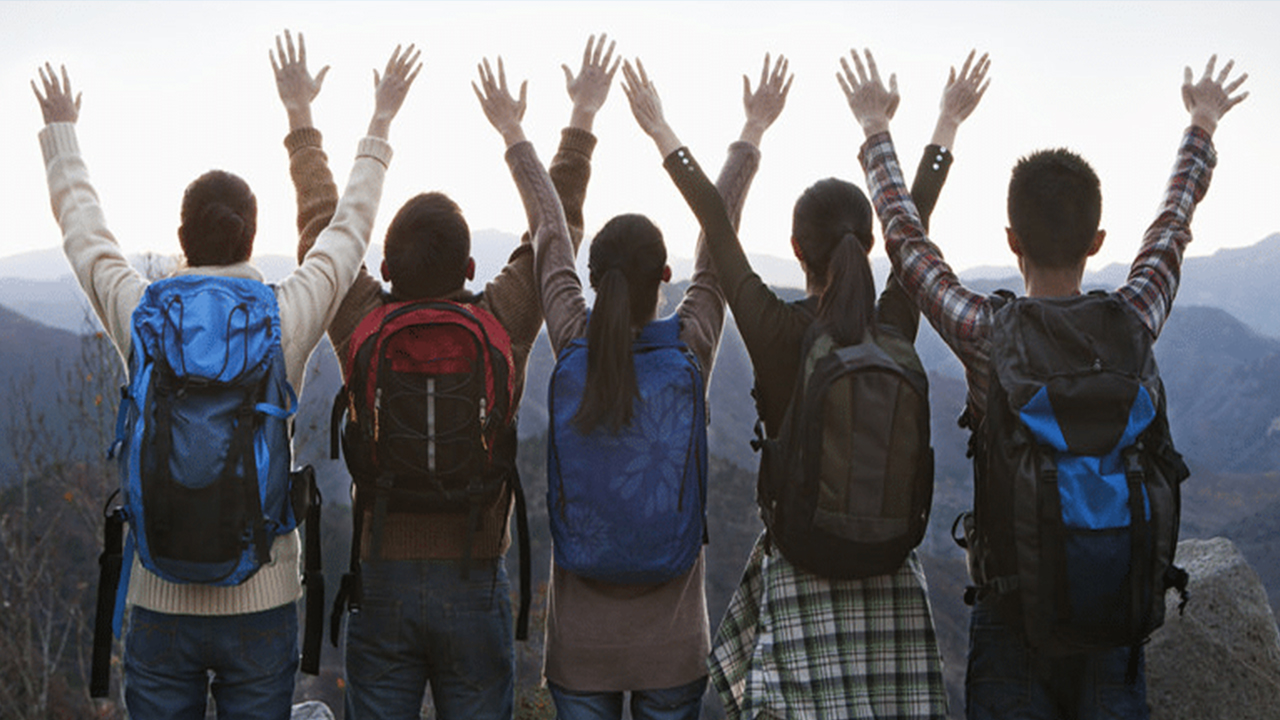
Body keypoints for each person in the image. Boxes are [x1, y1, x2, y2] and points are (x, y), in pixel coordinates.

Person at [843, 49, 1247, 720]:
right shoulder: (1134, 319)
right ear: (1097, 240)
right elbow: (1172, 227)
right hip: (1115, 616)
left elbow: (906, 244)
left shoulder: (985, 333)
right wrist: (1201, 121)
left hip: (1013, 620)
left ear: (1011, 238)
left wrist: (876, 126)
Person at [33, 41, 417, 720]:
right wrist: (378, 121)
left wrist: (62, 134)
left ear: (182, 236)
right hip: (263, 597)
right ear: (251, 237)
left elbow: (85, 238)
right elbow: (347, 230)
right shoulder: (284, 314)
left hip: (158, 592)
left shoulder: (143, 313)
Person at [275, 30, 590, 720]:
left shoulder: (360, 318)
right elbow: (554, 233)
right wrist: (574, 126)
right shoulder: (502, 320)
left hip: (382, 576)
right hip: (477, 578)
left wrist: (308, 122)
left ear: (385, 270)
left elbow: (321, 233)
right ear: (471, 269)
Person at [666, 50, 990, 720]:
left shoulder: (778, 332)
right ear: (871, 247)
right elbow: (915, 229)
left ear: (795, 247)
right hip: (892, 579)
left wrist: (668, 134)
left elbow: (717, 229)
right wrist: (944, 126)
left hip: (803, 570)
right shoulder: (894, 324)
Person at [536, 53, 780, 720]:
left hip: (579, 653)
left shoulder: (570, 340)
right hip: (673, 649)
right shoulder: (691, 343)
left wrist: (555, 124)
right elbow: (719, 237)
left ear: (593, 280)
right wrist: (750, 132)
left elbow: (550, 232)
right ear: (664, 276)